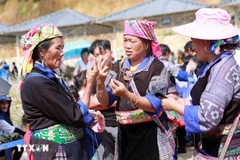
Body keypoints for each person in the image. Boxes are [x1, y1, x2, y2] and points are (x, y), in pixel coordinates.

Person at [162, 8, 240, 159]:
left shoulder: (222, 70)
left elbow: (207, 117)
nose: (192, 47)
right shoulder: (217, 65)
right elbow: (211, 105)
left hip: (224, 148)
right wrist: (182, 102)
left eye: (194, 40)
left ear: (206, 42)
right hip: (215, 145)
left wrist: (174, 106)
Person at [96, 20, 175, 160]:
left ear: (146, 44)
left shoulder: (157, 67)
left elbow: (154, 105)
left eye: (132, 41)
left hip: (149, 131)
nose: (127, 45)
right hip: (124, 134)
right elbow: (105, 101)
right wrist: (100, 82)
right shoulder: (118, 66)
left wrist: (126, 94)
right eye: (125, 40)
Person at [20, 24, 100, 160]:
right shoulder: (37, 83)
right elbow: (76, 115)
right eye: (58, 48)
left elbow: (67, 111)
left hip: (68, 149)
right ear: (41, 51)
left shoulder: (49, 77)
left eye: (62, 47)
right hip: (56, 150)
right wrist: (90, 83)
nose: (62, 52)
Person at [89, 39, 118, 160]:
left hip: (120, 125)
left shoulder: (120, 70)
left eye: (103, 53)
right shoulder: (92, 74)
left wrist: (100, 101)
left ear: (111, 52)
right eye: (96, 55)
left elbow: (124, 99)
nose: (100, 58)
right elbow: (89, 102)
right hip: (101, 127)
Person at [0, 95, 25, 160]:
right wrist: (25, 134)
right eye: (2, 103)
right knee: (21, 143)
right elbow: (13, 129)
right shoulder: (0, 118)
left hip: (4, 143)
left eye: (6, 103)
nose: (4, 105)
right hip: (2, 146)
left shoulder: (5, 116)